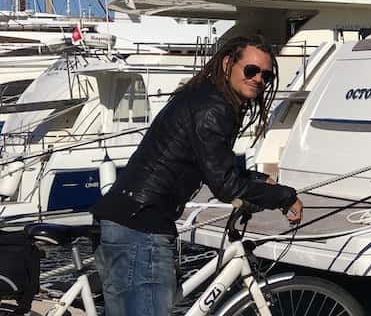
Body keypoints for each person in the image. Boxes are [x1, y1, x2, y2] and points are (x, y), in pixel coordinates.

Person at [91, 36, 303, 316]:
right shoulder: (214, 108)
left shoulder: (205, 97)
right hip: (141, 229)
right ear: (228, 63)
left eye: (266, 75)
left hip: (127, 219)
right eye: (251, 70)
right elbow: (226, 186)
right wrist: (284, 196)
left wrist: (261, 181)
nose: (258, 79)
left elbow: (215, 165)